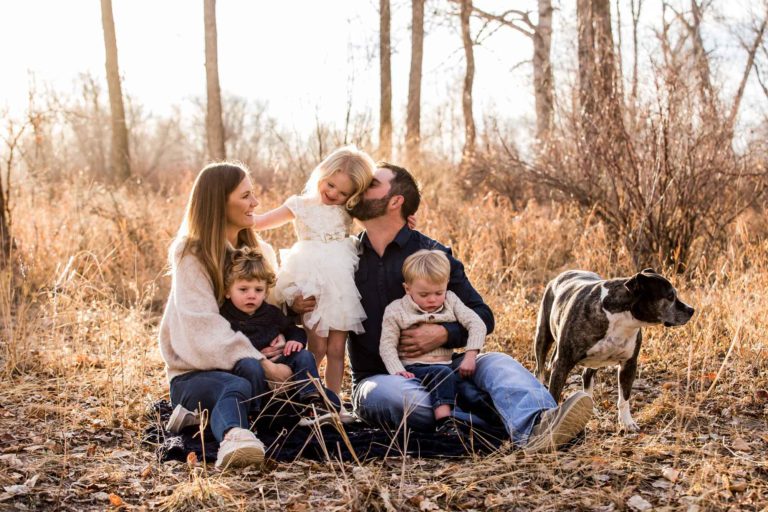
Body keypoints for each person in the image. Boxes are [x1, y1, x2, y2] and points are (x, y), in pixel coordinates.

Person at [347, 163, 595, 453]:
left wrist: (444, 333)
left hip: (444, 367)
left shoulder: (432, 256)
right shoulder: (344, 255)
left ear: (395, 201)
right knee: (391, 397)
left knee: (499, 363)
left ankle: (540, 423)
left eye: (372, 183)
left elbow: (483, 316)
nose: (360, 186)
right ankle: (500, 422)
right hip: (383, 377)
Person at [159, 162, 296, 470]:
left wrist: (297, 310)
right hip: (195, 373)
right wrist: (261, 363)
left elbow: (272, 310)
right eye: (246, 195)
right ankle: (236, 438)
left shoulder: (259, 250)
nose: (256, 203)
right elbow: (201, 324)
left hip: (254, 363)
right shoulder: (191, 253)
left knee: (281, 377)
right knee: (236, 387)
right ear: (220, 202)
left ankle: (209, 418)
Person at [248, 146, 374, 401]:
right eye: (330, 185)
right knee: (317, 345)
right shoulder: (300, 205)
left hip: (341, 282)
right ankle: (307, 399)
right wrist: (237, 213)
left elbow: (379, 221)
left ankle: (334, 402)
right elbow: (261, 221)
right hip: (311, 279)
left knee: (338, 349)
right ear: (322, 174)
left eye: (343, 192)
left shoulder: (349, 209)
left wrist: (405, 219)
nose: (333, 194)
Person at [379, 249, 486, 433]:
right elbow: (387, 346)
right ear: (407, 289)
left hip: (448, 365)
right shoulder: (396, 311)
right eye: (424, 294)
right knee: (442, 374)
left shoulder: (451, 301)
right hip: (414, 369)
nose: (432, 300)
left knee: (470, 391)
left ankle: (492, 422)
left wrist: (470, 355)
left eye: (439, 292)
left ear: (447, 285)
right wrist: (398, 371)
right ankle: (444, 423)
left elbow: (477, 323)